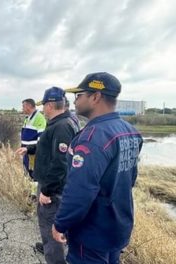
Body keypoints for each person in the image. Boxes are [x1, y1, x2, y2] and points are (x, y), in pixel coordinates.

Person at [52, 72, 143, 264]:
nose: (74, 101)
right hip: (118, 226)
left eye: (79, 95)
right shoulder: (130, 131)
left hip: (92, 233)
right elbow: (130, 179)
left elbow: (79, 190)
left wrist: (60, 224)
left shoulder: (91, 138)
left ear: (95, 97)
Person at [32, 87, 80, 264]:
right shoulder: (66, 121)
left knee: (49, 227)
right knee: (54, 229)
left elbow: (60, 163)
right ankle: (51, 249)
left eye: (44, 105)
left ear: (50, 105)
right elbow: (51, 149)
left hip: (53, 189)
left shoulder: (61, 127)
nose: (43, 109)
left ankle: (55, 259)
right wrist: (29, 149)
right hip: (58, 186)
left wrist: (47, 191)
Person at [15, 98, 46, 178]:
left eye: (23, 106)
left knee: (34, 177)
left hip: (34, 155)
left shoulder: (40, 118)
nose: (22, 108)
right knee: (27, 175)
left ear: (29, 106)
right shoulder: (27, 118)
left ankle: (34, 190)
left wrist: (28, 148)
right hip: (27, 153)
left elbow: (41, 141)